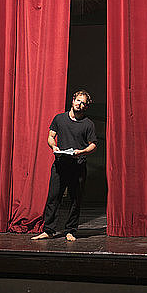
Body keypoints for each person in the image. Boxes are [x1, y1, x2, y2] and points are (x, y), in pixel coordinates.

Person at [31, 90, 97, 241]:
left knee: (75, 199)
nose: (79, 104)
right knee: (53, 197)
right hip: (60, 165)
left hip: (78, 165)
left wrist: (83, 152)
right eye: (78, 100)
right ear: (73, 100)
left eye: (83, 103)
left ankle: (71, 231)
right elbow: (51, 136)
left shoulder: (88, 124)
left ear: (86, 106)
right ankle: (48, 230)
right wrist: (53, 147)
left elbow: (93, 144)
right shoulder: (59, 119)